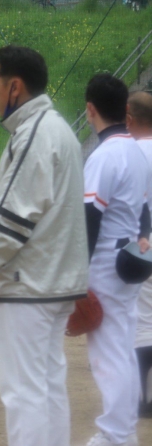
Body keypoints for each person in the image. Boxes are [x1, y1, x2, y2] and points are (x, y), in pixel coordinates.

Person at [0, 45, 89, 446]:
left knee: (23, 392)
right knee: (48, 386)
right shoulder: (59, 129)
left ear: (14, 86)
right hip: (53, 282)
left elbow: (14, 216)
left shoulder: (33, 134)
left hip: (29, 284)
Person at [82, 75, 150, 446]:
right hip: (129, 261)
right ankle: (122, 433)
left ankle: (115, 436)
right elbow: (144, 210)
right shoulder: (135, 150)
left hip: (106, 265)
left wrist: (77, 274)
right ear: (124, 109)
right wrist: (143, 237)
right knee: (121, 350)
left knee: (108, 355)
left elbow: (90, 217)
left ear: (90, 110)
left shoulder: (106, 154)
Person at [128, 90, 152, 419]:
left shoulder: (130, 153)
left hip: (141, 242)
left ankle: (140, 398)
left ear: (129, 119)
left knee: (141, 321)